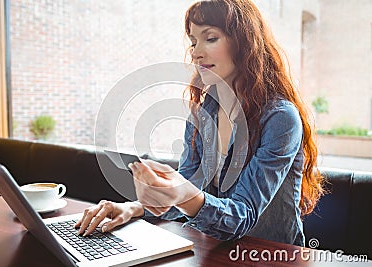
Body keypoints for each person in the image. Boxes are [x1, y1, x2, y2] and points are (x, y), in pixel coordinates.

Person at [75, 0, 325, 246]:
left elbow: (242, 215)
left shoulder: (280, 118)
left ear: (244, 43)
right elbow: (188, 189)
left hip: (270, 255)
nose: (196, 52)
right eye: (194, 42)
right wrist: (132, 208)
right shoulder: (202, 113)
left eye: (211, 38)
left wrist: (183, 193)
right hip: (213, 250)